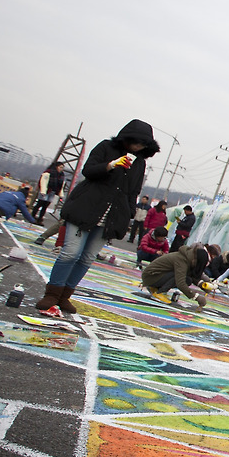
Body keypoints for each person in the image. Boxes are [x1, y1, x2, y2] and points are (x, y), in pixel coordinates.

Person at [35, 120, 160, 316]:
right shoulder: (106, 147)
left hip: (111, 217)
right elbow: (88, 171)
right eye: (137, 142)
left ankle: (65, 296)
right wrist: (111, 165)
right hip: (86, 208)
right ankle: (52, 293)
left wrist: (129, 212)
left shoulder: (140, 162)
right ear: (127, 138)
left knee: (87, 257)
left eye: (143, 144)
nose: (139, 147)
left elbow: (133, 191)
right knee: (70, 253)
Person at [140, 242, 214, 309]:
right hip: (150, 276)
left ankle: (154, 288)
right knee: (181, 277)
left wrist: (202, 285)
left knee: (188, 279)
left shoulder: (188, 258)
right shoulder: (182, 260)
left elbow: (191, 276)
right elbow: (180, 283)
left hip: (154, 275)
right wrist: (196, 297)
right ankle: (160, 292)